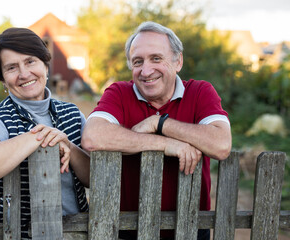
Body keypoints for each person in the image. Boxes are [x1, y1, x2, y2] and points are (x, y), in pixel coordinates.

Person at [81, 21, 232, 240]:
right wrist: (167, 144)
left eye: (156, 58)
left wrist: (159, 124)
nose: (146, 70)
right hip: (127, 228)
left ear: (177, 61)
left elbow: (221, 145)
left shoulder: (200, 92)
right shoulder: (119, 93)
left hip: (189, 227)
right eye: (138, 61)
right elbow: (93, 137)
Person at [0, 28, 90, 239]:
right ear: (3, 79)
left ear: (45, 65)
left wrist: (68, 146)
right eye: (12, 67)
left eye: (30, 61)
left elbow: (92, 178)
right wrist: (38, 136)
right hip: (20, 235)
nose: (24, 74)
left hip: (77, 232)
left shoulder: (73, 114)